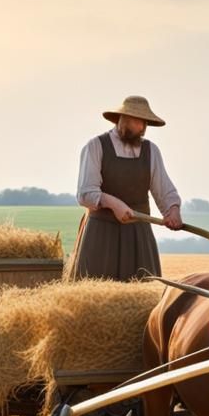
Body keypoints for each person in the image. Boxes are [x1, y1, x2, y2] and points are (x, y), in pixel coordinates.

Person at [66, 95, 184, 281]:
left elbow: (165, 190)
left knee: (143, 291)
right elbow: (85, 193)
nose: (143, 128)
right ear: (123, 119)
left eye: (145, 123)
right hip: (101, 236)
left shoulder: (151, 151)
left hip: (138, 235)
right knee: (97, 292)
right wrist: (113, 204)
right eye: (138, 121)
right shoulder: (96, 146)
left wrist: (173, 210)